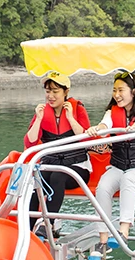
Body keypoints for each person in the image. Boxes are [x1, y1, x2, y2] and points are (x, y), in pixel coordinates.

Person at [86, 71, 135, 260]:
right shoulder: (112, 113)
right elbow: (104, 125)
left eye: (121, 90)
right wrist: (97, 129)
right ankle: (103, 241)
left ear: (133, 92)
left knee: (129, 179)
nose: (116, 94)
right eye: (114, 90)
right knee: (102, 187)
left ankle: (123, 232)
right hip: (119, 167)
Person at [24, 71, 91, 240]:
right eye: (48, 92)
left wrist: (70, 117)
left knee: (58, 176)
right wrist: (38, 119)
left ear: (65, 92)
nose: (50, 96)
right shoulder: (42, 111)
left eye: (55, 92)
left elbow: (87, 138)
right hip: (51, 164)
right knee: (36, 180)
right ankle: (28, 231)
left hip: (77, 168)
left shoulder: (78, 110)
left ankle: (48, 223)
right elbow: (30, 143)